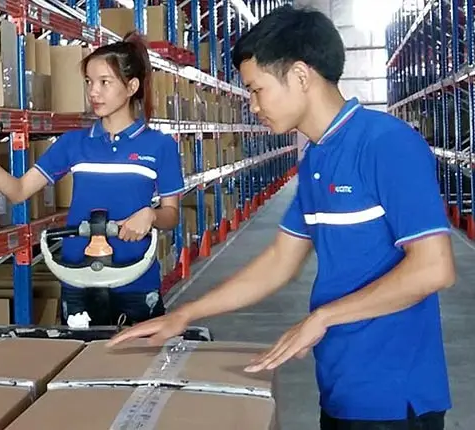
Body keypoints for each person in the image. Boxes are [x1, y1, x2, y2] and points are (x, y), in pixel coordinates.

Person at [107, 5, 455, 429]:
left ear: (301, 76)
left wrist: (322, 317)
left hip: (395, 396)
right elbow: (279, 262)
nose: (252, 105)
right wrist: (185, 314)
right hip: (342, 385)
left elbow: (433, 269)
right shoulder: (316, 158)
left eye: (257, 89)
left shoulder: (386, 144)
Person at [0, 31, 186, 326]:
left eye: (104, 82)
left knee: (135, 367)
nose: (93, 92)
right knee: (80, 365)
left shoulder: (159, 146)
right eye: (89, 82)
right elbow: (19, 191)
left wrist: (150, 215)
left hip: (136, 279)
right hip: (77, 276)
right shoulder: (73, 144)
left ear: (132, 86)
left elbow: (171, 215)